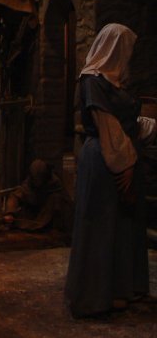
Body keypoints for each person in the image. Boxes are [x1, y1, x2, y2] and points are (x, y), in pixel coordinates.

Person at [65, 23, 157, 318]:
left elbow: (128, 122)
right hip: (106, 159)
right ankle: (95, 295)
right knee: (101, 224)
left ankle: (120, 288)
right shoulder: (93, 81)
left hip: (121, 156)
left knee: (122, 224)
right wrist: (126, 163)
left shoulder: (115, 82)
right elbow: (109, 128)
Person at [3, 159, 64, 231]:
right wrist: (10, 213)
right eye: (36, 179)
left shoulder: (54, 184)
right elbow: (15, 196)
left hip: (47, 219)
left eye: (40, 179)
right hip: (31, 217)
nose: (38, 182)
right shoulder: (29, 184)